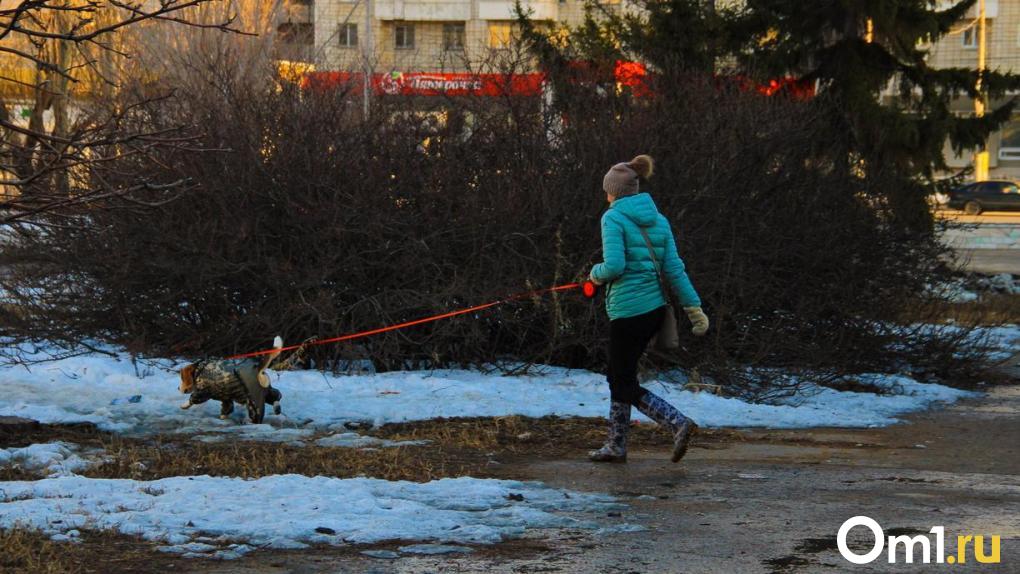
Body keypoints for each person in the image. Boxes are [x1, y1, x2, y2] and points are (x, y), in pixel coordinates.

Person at [588, 154, 709, 463]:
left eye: (608, 190)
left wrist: (594, 275)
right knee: (620, 374)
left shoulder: (612, 218)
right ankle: (616, 445)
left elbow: (614, 265)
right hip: (653, 309)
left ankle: (676, 422)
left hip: (628, 311)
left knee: (621, 380)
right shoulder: (659, 220)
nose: (606, 195)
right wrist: (694, 307)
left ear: (614, 190)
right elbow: (674, 269)